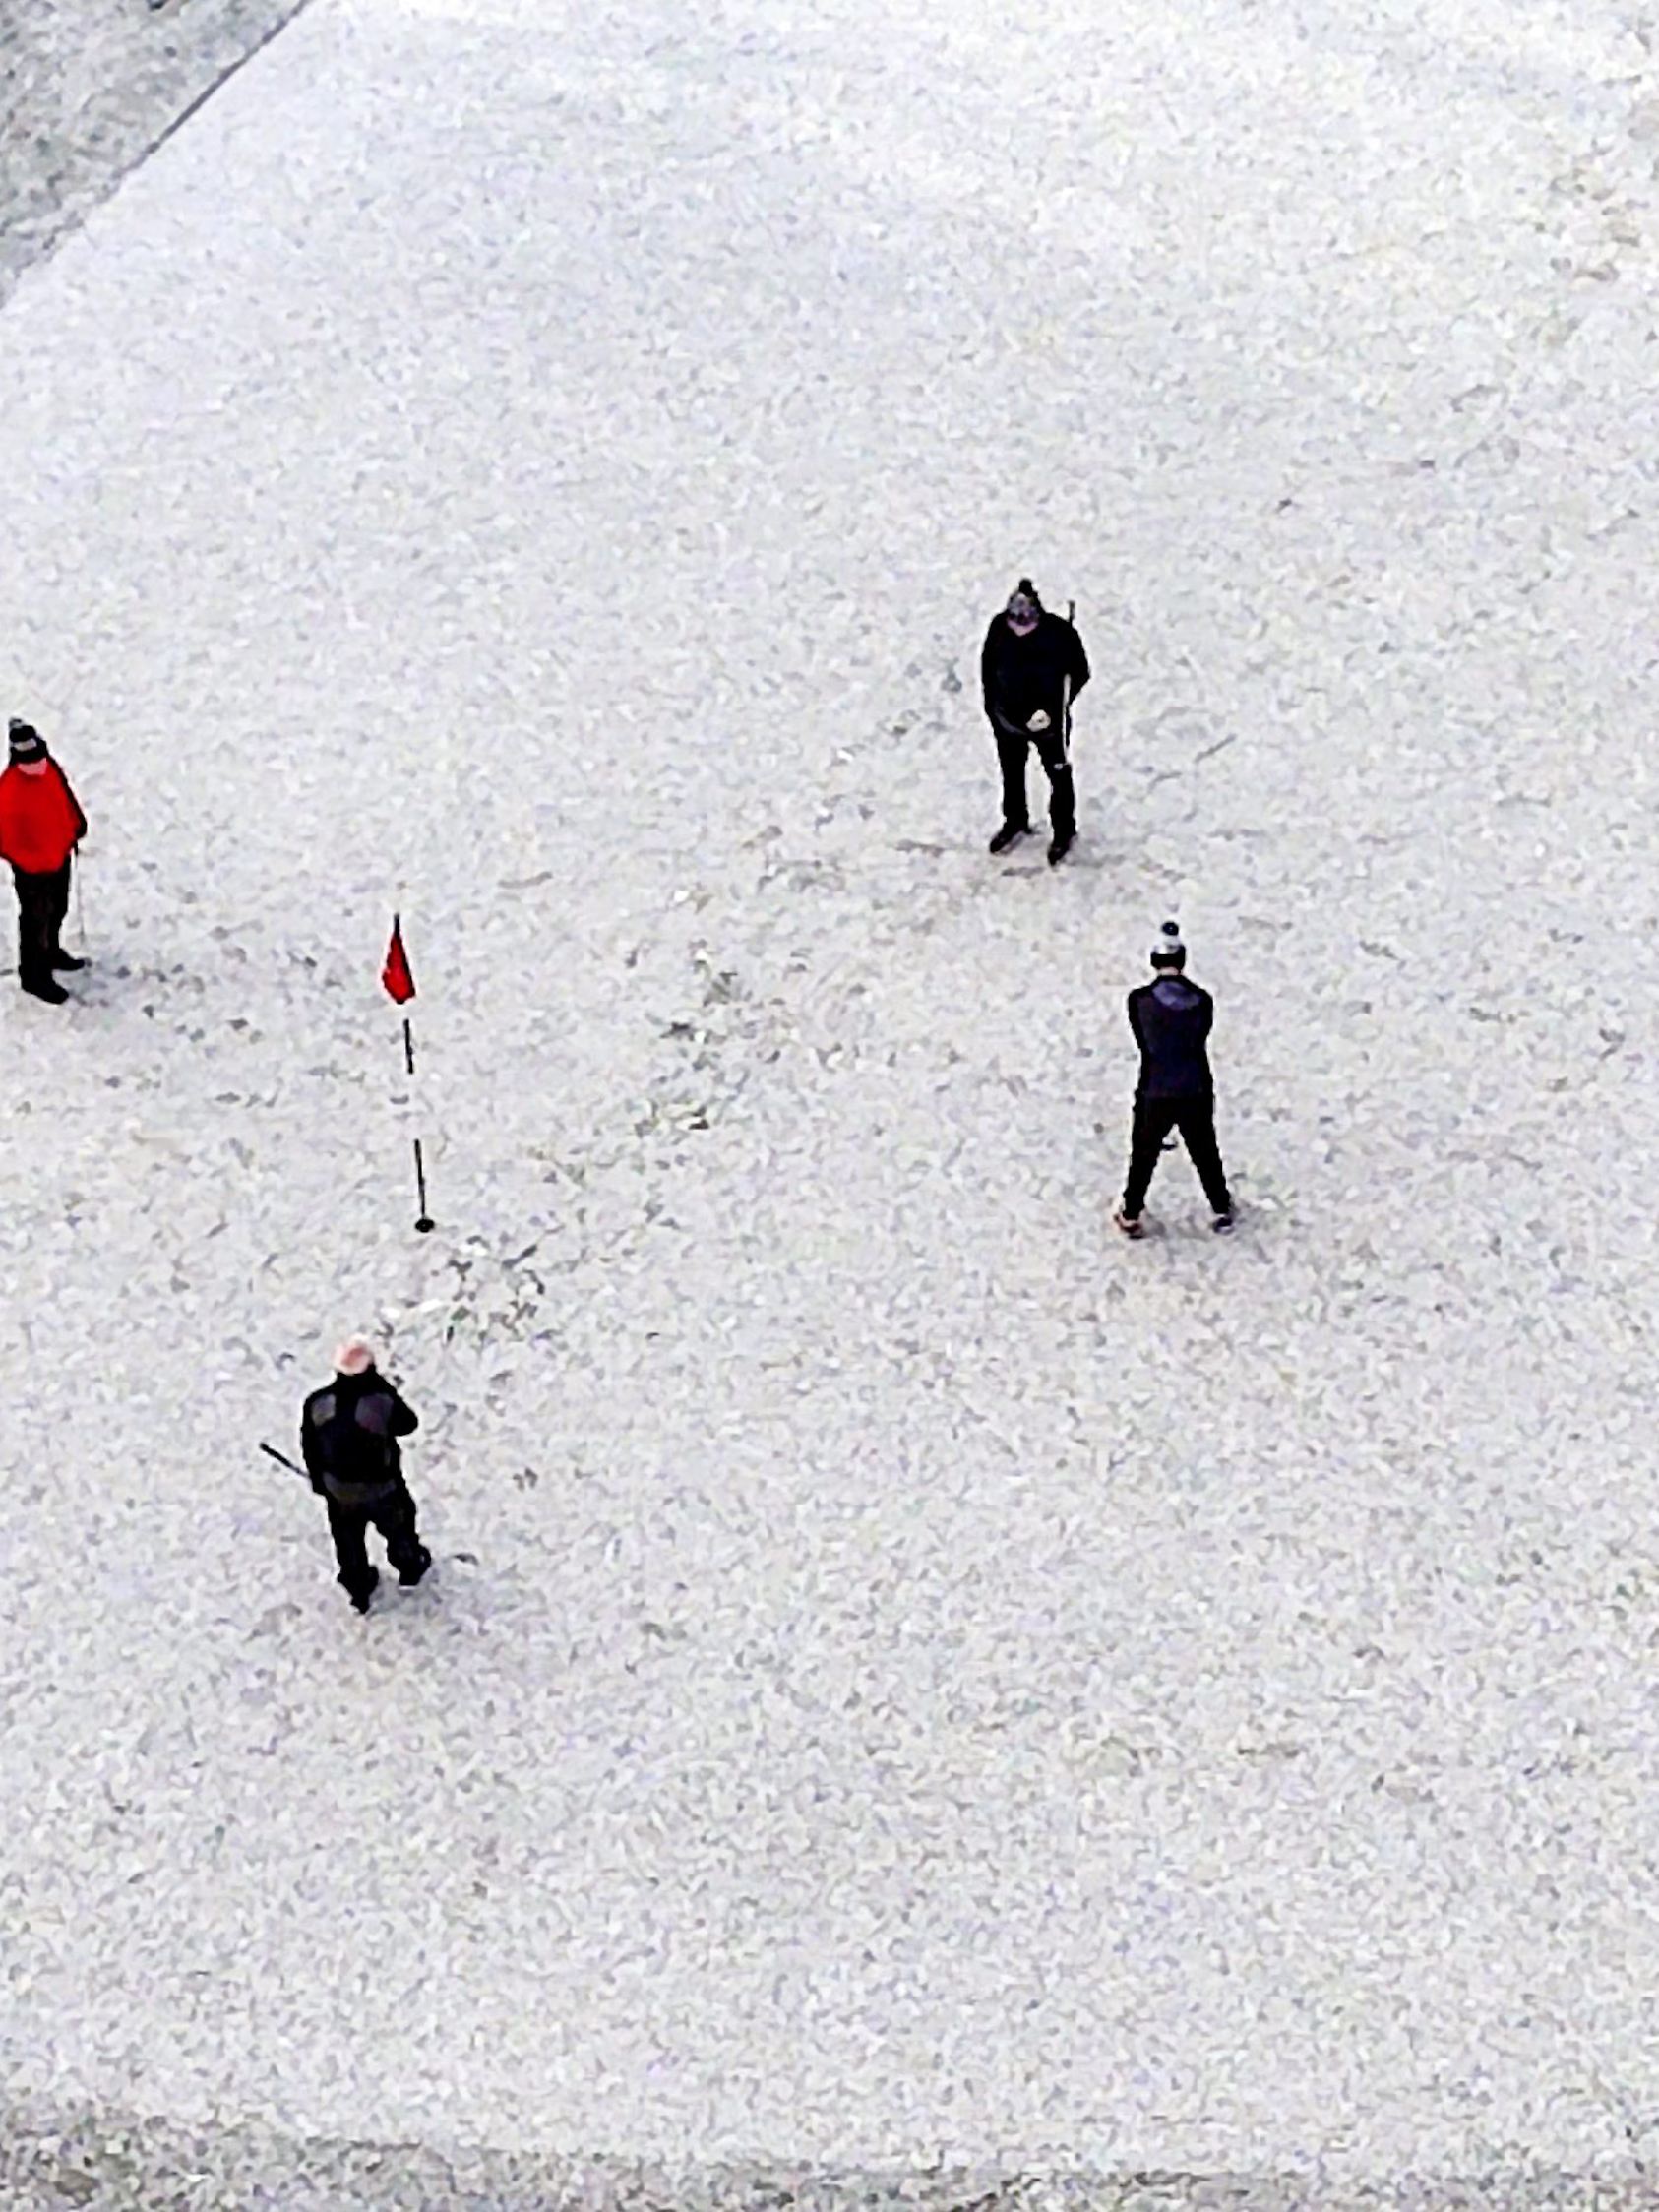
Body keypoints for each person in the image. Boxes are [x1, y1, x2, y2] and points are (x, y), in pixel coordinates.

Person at [1113, 922, 1235, 1238]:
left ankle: (1131, 1212)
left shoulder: (1138, 1001)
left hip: (1155, 1086)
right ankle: (1220, 1205)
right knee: (1205, 1149)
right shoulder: (1203, 1000)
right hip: (1195, 1085)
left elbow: (1143, 1042)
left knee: (1143, 1152)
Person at [300, 1338, 432, 1613]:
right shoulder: (380, 1403)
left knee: (348, 1541)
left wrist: (320, 1482)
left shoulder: (318, 1403)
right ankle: (409, 1565)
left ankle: (358, 1586)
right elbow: (408, 1424)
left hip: (338, 1492)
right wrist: (384, 1387)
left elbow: (310, 1447)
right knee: (399, 1528)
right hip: (382, 1488)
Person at [979, 579, 1090, 865]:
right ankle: (1015, 820)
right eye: (1014, 617)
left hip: (1048, 723)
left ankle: (1064, 829)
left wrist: (1057, 707)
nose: (1020, 623)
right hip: (1006, 720)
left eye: (1026, 617)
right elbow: (988, 670)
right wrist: (993, 709)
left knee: (1058, 774)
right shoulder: (998, 630)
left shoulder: (1059, 633)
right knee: (1011, 772)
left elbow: (1080, 672)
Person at [0, 719, 87, 1005]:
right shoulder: (9, 790)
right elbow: (5, 839)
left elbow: (65, 796)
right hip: (32, 871)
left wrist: (76, 823)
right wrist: (28, 861)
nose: (35, 765)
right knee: (35, 920)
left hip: (59, 855)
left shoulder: (50, 768)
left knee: (58, 908)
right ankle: (34, 975)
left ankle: (51, 951)